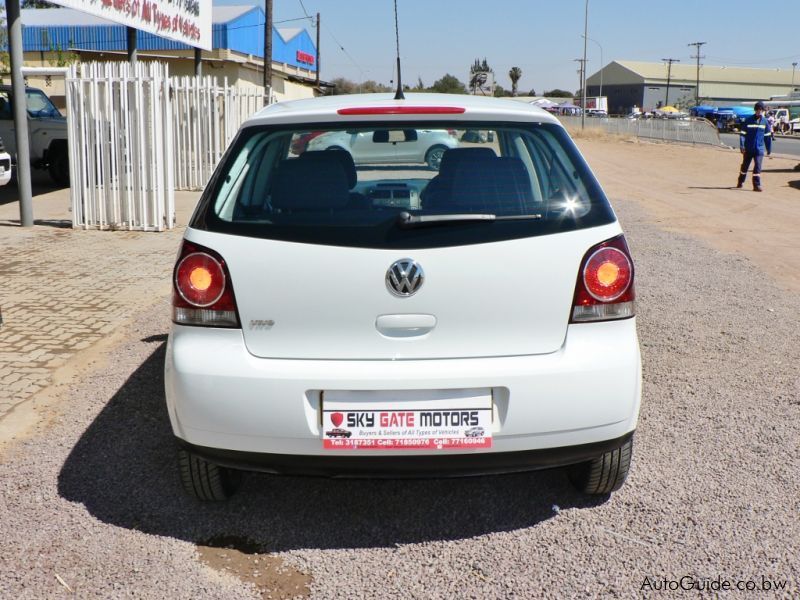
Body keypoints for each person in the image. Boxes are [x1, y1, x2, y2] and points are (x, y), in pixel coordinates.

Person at [737, 101, 772, 192]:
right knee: (745, 167)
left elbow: (767, 136)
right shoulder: (748, 120)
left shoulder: (765, 122)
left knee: (758, 166)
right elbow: (742, 134)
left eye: (761, 110)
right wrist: (742, 145)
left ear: (763, 111)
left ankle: (756, 185)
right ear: (755, 110)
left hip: (759, 149)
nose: (759, 111)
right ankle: (740, 181)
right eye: (757, 109)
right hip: (748, 149)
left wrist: (769, 149)